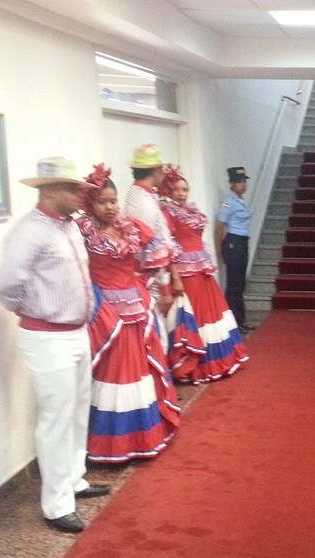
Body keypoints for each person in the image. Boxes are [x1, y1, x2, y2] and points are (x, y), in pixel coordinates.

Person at [0, 157, 110, 534]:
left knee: (77, 409)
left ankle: (74, 479)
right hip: (46, 336)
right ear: (50, 190)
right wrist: (32, 311)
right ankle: (57, 504)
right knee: (56, 418)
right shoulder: (29, 232)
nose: (80, 194)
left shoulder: (69, 226)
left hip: (76, 331)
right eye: (73, 188)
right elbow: (6, 285)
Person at [77, 164, 181, 463]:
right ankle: (113, 443)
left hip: (136, 309)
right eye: (102, 202)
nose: (109, 207)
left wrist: (158, 287)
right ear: (90, 203)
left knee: (136, 370)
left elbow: (159, 252)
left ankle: (141, 436)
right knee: (114, 372)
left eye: (113, 201)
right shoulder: (83, 231)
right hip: (107, 314)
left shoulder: (129, 226)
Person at [159, 164, 249, 382]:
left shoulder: (192, 210)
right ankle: (195, 362)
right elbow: (167, 243)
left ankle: (216, 357)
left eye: (184, 189)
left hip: (202, 267)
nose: (181, 194)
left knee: (211, 310)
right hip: (186, 269)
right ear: (169, 190)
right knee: (195, 311)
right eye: (177, 189)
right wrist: (175, 274)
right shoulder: (167, 212)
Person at [122, 144, 183, 347]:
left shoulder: (140, 195)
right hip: (150, 280)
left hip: (150, 276)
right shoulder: (144, 204)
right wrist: (165, 288)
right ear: (155, 171)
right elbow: (151, 251)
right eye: (161, 170)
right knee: (157, 337)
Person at [215, 166, 254, 333]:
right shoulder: (229, 202)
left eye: (244, 181)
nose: (243, 184)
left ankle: (241, 320)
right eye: (239, 182)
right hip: (233, 242)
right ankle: (232, 323)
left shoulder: (241, 201)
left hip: (242, 242)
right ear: (231, 184)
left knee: (240, 283)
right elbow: (219, 227)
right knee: (233, 285)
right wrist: (219, 249)